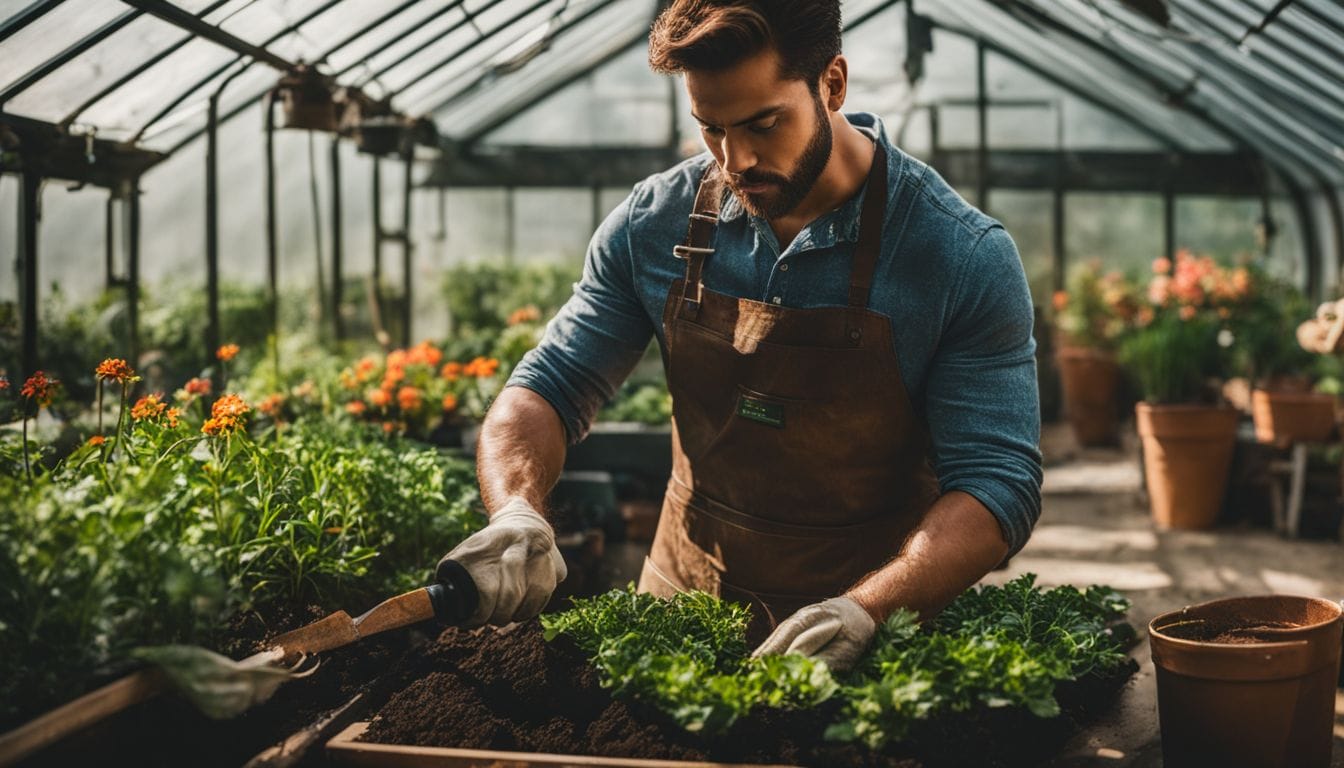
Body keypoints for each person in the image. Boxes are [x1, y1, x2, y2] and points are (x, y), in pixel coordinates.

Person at [439, 0, 1042, 672]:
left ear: (832, 84)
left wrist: (865, 612)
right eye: (710, 129)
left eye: (764, 123)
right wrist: (517, 512)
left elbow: (996, 485)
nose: (736, 160)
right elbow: (548, 387)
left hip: (873, 645)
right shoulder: (653, 224)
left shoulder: (956, 256)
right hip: (680, 622)